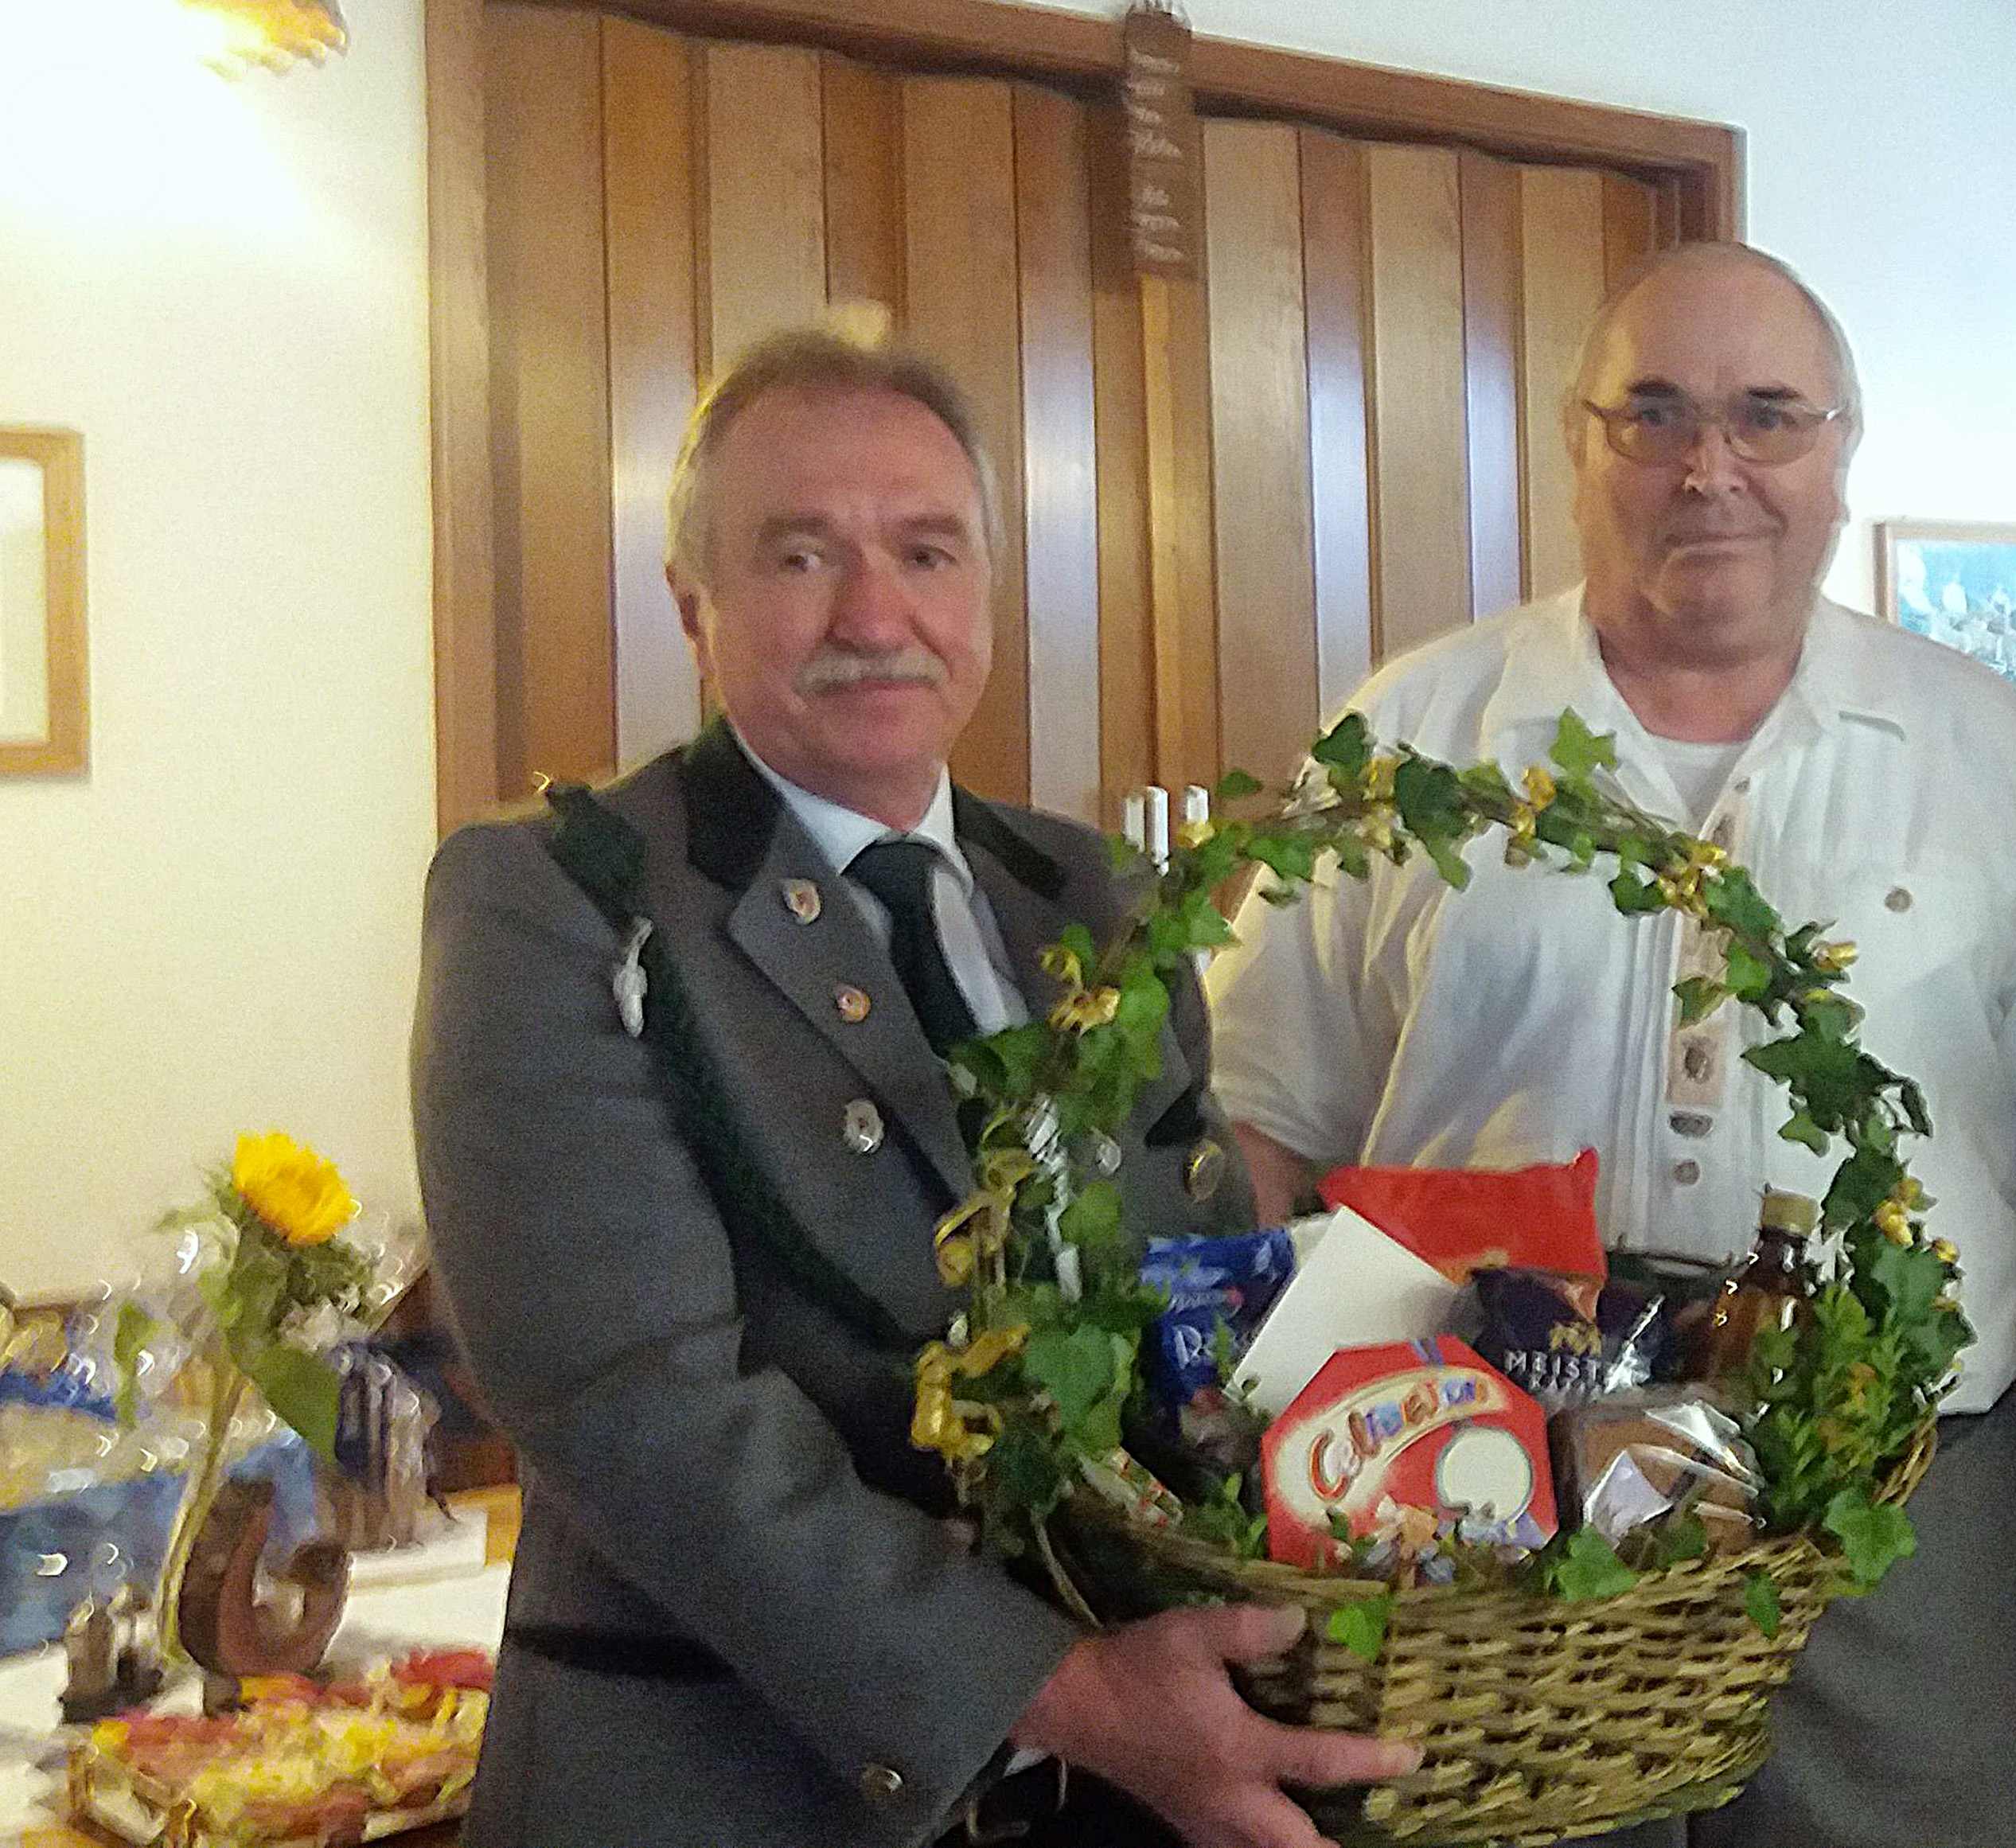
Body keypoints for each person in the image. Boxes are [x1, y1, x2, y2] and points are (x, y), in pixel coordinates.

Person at [411, 328, 1414, 1848]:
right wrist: (1061, 1688)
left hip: (1112, 1798)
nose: (875, 616)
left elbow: (1195, 1316)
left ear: (986, 594)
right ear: (693, 606)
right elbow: (632, 1403)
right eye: (801, 555)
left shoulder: (1096, 896)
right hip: (729, 1791)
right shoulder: (559, 900)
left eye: (927, 552)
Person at [1202, 243, 2016, 1848]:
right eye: (1655, 413)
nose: (1712, 468)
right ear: (1577, 444)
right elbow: (1259, 1124)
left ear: (1840, 451)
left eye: (1769, 415)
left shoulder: (1989, 756)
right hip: (1473, 1518)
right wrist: (1265, 1487)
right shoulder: (1411, 738)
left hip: (1905, 1535)